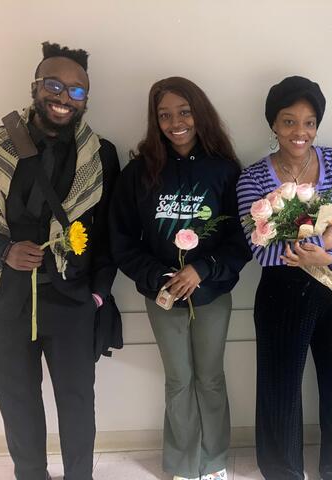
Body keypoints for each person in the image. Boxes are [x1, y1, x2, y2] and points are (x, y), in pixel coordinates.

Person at [109, 77, 251, 480]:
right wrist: (159, 276)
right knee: (178, 380)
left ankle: (215, 461)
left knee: (209, 379)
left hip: (211, 294)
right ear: (156, 121)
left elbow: (241, 240)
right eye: (165, 115)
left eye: (184, 112)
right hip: (163, 295)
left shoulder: (224, 171)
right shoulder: (140, 172)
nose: (176, 123)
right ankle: (183, 464)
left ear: (199, 113)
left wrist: (201, 270)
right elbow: (121, 241)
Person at [236, 75, 332, 480]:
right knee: (279, 383)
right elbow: (258, 245)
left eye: (309, 122)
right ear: (274, 125)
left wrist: (329, 253)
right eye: (289, 121)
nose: (300, 131)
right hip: (282, 287)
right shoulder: (253, 178)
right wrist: (314, 244)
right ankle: (282, 471)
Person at [0, 42, 120, 480]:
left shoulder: (101, 154)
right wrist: (4, 252)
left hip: (71, 299)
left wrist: (98, 296)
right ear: (36, 86)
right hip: (6, 299)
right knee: (15, 399)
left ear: (85, 98)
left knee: (76, 402)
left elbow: (108, 235)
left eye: (76, 90)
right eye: (54, 85)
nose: (63, 97)